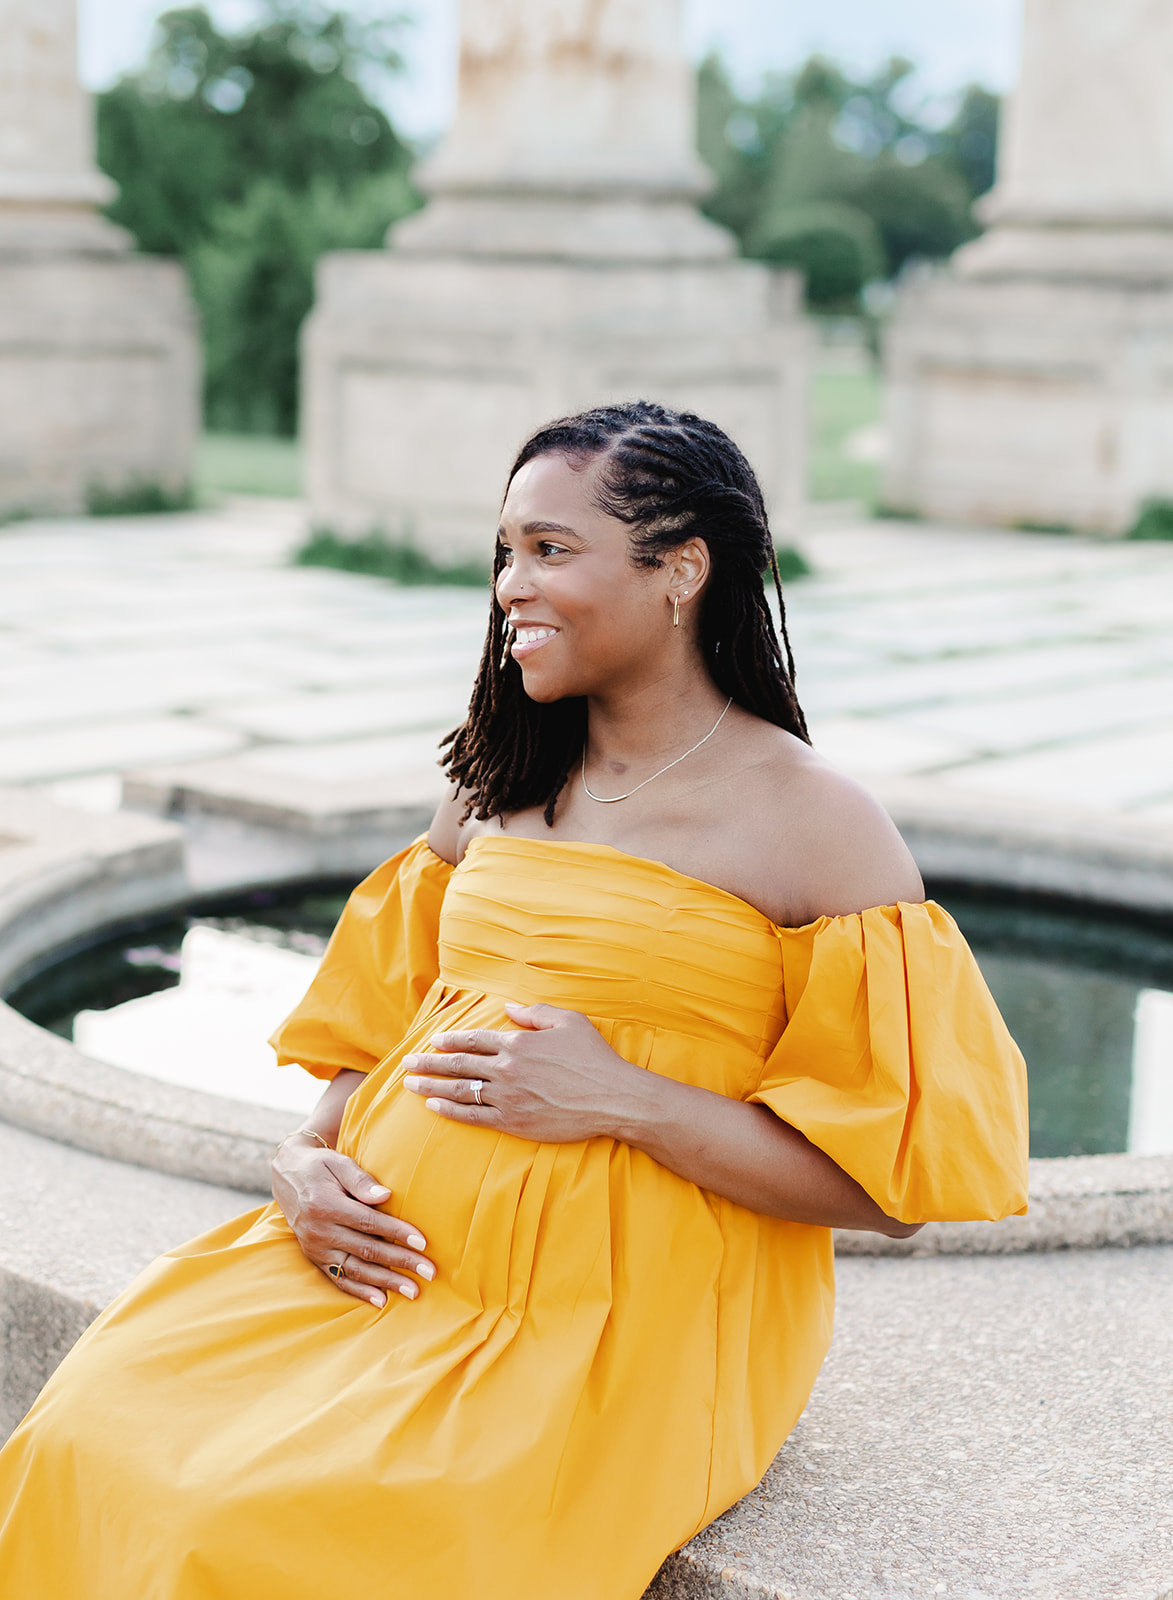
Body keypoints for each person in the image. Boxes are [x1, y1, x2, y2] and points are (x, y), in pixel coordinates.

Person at [0, 402, 1028, 1599]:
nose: (509, 585)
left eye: (551, 549)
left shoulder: (816, 826)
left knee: (249, 1527)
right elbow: (380, 1033)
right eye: (505, 553)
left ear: (680, 568)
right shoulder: (495, 780)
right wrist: (305, 1161)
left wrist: (628, 1099)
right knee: (91, 1429)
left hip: (611, 1323)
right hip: (376, 1265)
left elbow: (890, 1191)